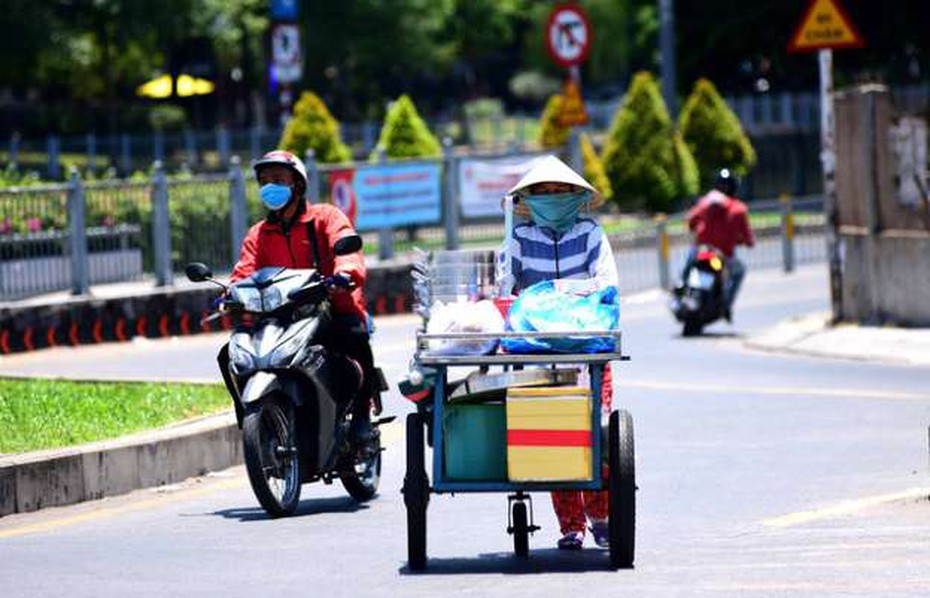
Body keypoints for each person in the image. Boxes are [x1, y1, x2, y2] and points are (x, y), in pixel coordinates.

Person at [498, 155, 619, 550]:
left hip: (587, 350)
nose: (551, 198)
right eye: (543, 192)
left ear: (574, 196)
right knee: (550, 435)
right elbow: (505, 291)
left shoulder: (590, 234)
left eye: (559, 191)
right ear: (528, 200)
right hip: (537, 355)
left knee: (595, 432)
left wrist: (553, 295)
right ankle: (570, 525)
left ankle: (600, 514)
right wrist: (530, 299)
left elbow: (606, 284)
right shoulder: (517, 239)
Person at [227, 149, 377, 440]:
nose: (270, 186)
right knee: (231, 354)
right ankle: (250, 416)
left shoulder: (325, 217)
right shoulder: (258, 233)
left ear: (297, 184)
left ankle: (361, 416)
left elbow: (347, 248)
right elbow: (243, 271)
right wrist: (230, 294)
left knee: (354, 338)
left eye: (278, 179)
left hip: (331, 306)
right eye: (265, 180)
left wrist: (344, 273)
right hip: (279, 315)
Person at [683, 168, 755, 320]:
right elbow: (749, 240)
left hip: (702, 250)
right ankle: (726, 305)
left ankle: (681, 287)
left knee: (688, 262)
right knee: (739, 271)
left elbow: (690, 221)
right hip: (723, 255)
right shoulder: (739, 208)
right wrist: (742, 241)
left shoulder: (706, 201)